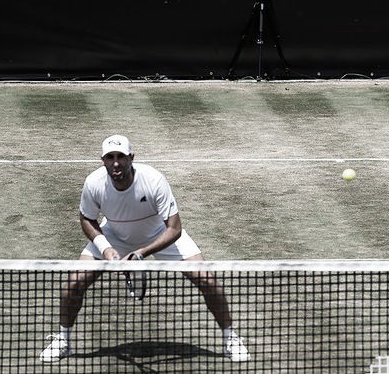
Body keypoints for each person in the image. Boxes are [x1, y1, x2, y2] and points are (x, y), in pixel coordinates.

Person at [39, 135, 250, 363]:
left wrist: (140, 253)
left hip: (159, 235)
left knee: (207, 281)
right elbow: (87, 219)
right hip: (114, 235)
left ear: (132, 158)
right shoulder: (93, 183)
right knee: (74, 284)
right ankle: (63, 340)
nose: (116, 163)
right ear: (103, 160)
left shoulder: (153, 179)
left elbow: (175, 229)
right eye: (110, 157)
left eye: (121, 157)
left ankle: (231, 338)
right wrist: (106, 248)